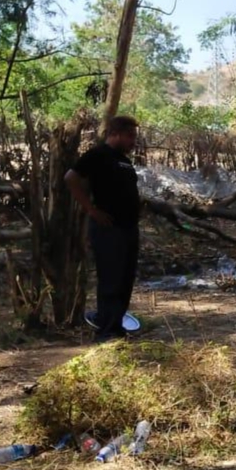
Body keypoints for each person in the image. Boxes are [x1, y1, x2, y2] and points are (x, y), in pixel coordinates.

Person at [65, 115, 141, 342]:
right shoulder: (98, 155)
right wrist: (90, 209)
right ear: (114, 133)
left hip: (129, 228)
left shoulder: (125, 162)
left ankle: (116, 327)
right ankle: (105, 333)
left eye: (134, 137)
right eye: (130, 136)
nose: (133, 141)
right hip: (109, 229)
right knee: (111, 278)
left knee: (125, 280)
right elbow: (71, 178)